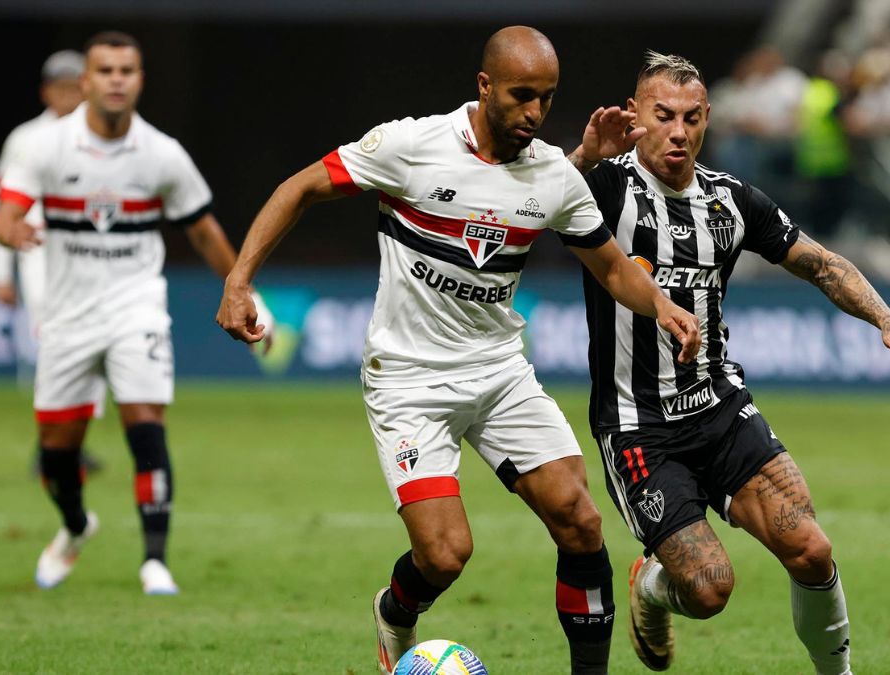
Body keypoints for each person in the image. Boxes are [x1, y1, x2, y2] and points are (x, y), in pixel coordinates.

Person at [215, 26, 699, 675]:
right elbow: (299, 187)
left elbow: (613, 268)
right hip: (409, 377)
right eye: (521, 95)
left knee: (580, 521)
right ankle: (395, 609)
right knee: (445, 555)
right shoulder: (411, 146)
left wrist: (662, 304)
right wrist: (240, 280)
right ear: (484, 86)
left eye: (546, 99)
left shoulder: (552, 174)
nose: (533, 112)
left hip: (499, 370)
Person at [566, 52, 890, 674]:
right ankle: (652, 586)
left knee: (811, 549)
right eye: (662, 116)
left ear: (707, 118)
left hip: (720, 409)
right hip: (639, 429)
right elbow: (526, 205)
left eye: (690, 117)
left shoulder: (730, 201)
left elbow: (821, 264)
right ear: (635, 117)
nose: (677, 131)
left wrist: (887, 318)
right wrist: (579, 160)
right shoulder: (604, 187)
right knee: (708, 590)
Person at [0, 31, 270, 596]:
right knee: (55, 454)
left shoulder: (161, 154)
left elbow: (203, 228)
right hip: (67, 316)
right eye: (106, 70)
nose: (117, 79)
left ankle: (155, 561)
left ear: (139, 80)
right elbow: (5, 213)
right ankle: (75, 526)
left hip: (136, 308)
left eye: (128, 70)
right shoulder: (43, 147)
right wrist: (10, 229)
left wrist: (243, 290)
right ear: (86, 82)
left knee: (145, 428)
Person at [0, 49, 106, 475]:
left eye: (75, 85)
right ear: (45, 91)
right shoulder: (25, 140)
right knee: (53, 347)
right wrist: (1, 273)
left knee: (96, 350)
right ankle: (49, 447)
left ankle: (73, 444)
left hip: (92, 260)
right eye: (60, 86)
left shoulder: (101, 135)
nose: (68, 94)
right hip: (38, 256)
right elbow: (1, 209)